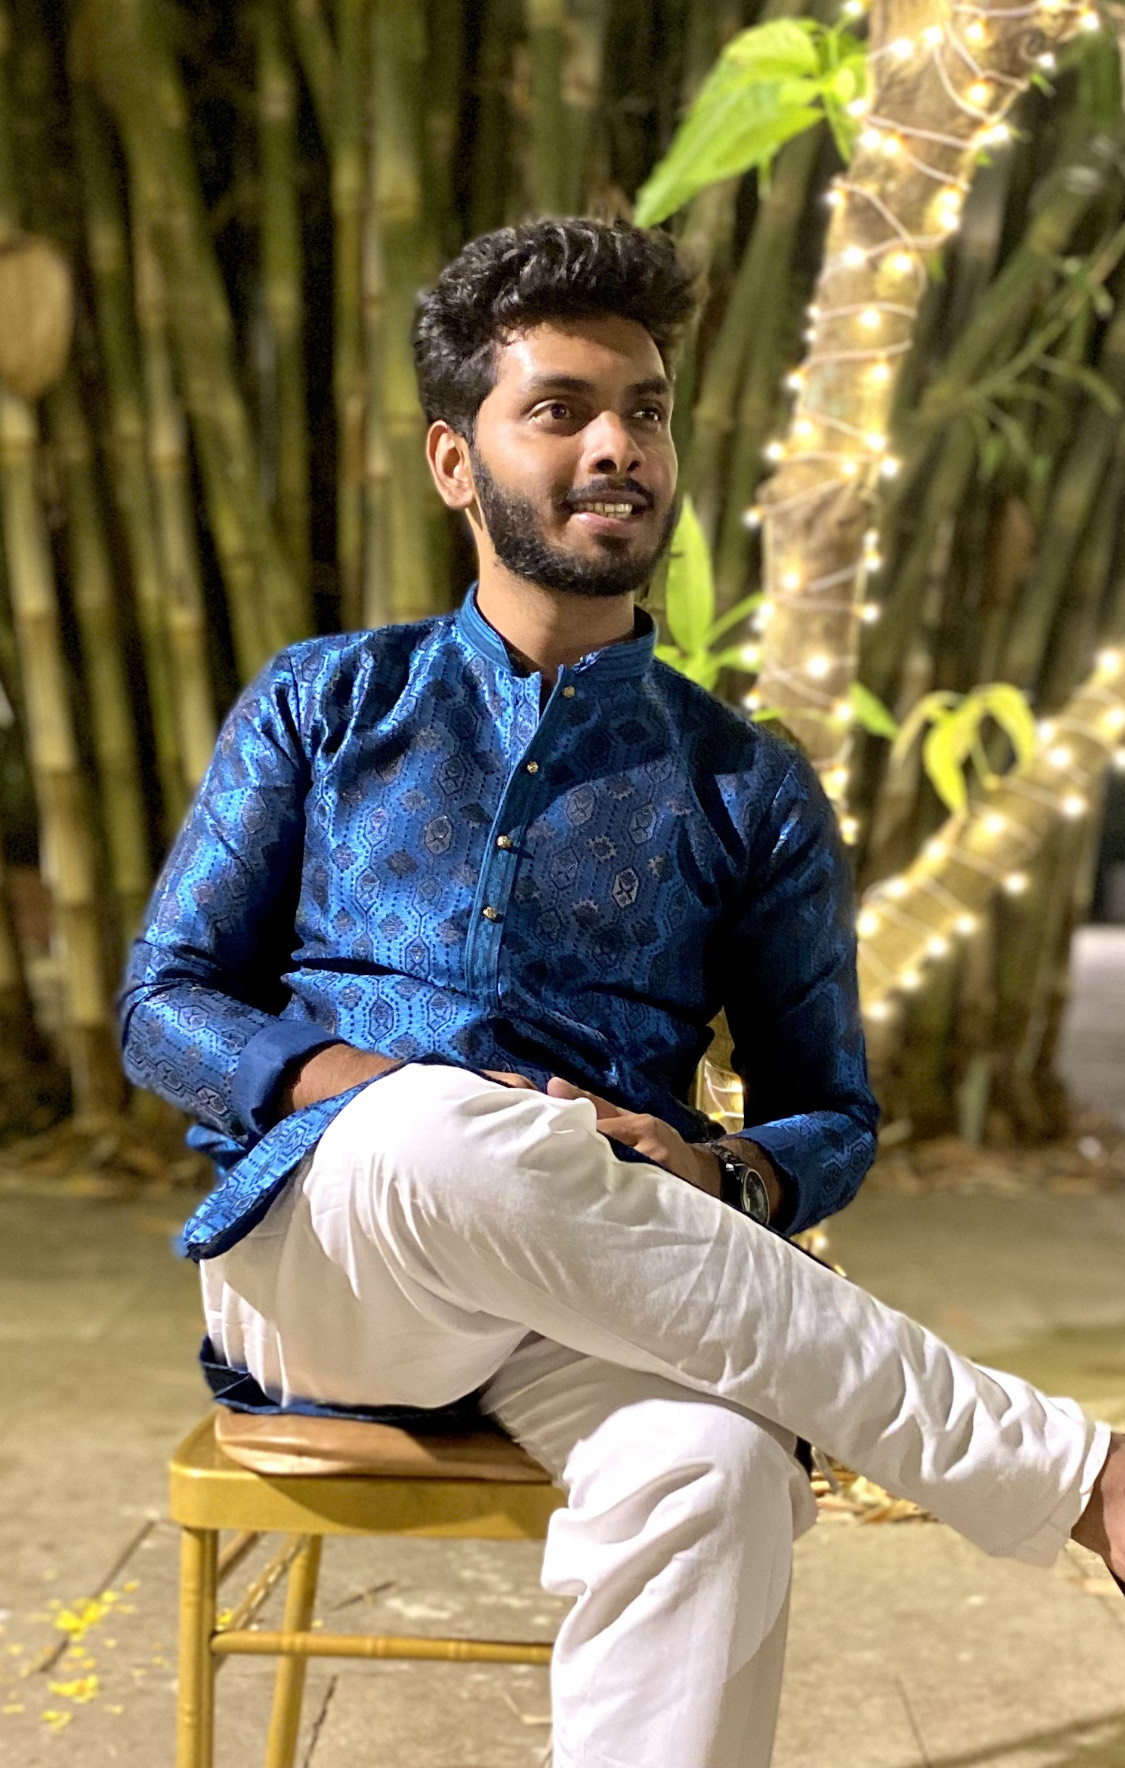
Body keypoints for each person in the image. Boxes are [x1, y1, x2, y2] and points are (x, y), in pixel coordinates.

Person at [119, 217, 1123, 1768]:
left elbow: (826, 1112)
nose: (617, 448)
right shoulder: (327, 702)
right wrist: (355, 1087)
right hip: (333, 1263)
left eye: (643, 411)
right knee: (447, 1132)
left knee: (717, 1469)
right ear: (455, 462)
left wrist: (718, 1170)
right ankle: (1078, 1477)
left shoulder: (743, 783)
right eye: (561, 410)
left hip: (604, 1271)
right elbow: (164, 1001)